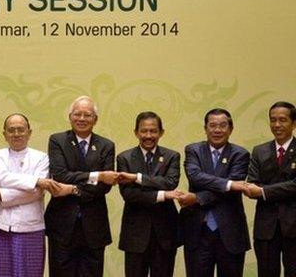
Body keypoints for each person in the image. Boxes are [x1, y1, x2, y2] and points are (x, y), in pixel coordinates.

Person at [45, 96, 117, 277]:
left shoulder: (106, 145)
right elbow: (60, 175)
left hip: (94, 224)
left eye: (87, 115)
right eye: (77, 114)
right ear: (70, 117)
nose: (82, 119)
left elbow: (105, 187)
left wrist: (72, 188)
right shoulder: (57, 140)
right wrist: (98, 175)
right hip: (62, 223)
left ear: (95, 119)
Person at [178, 108, 250, 277]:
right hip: (198, 231)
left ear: (231, 129)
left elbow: (229, 193)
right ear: (205, 128)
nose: (217, 130)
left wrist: (197, 198)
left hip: (230, 232)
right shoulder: (193, 150)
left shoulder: (240, 154)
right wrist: (230, 184)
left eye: (223, 125)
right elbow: (195, 177)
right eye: (213, 125)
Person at [0, 113, 62, 277]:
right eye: (11, 130)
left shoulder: (41, 158)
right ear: (4, 134)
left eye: (21, 130)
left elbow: (36, 193)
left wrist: (1, 194)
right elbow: (2, 178)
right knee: (3, 274)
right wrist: (36, 181)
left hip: (32, 228)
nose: (16, 134)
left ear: (29, 132)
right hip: (3, 227)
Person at [116, 111, 181, 277]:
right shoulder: (124, 158)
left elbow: (170, 182)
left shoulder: (172, 156)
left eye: (153, 131)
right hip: (135, 234)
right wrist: (163, 196)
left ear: (161, 132)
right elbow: (129, 194)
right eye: (144, 131)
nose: (148, 135)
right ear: (136, 132)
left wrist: (136, 178)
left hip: (165, 233)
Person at [245, 101, 296, 277]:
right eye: (273, 120)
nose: (277, 125)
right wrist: (260, 191)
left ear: (294, 123)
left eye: (283, 120)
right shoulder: (259, 151)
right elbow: (252, 184)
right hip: (266, 227)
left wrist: (264, 192)